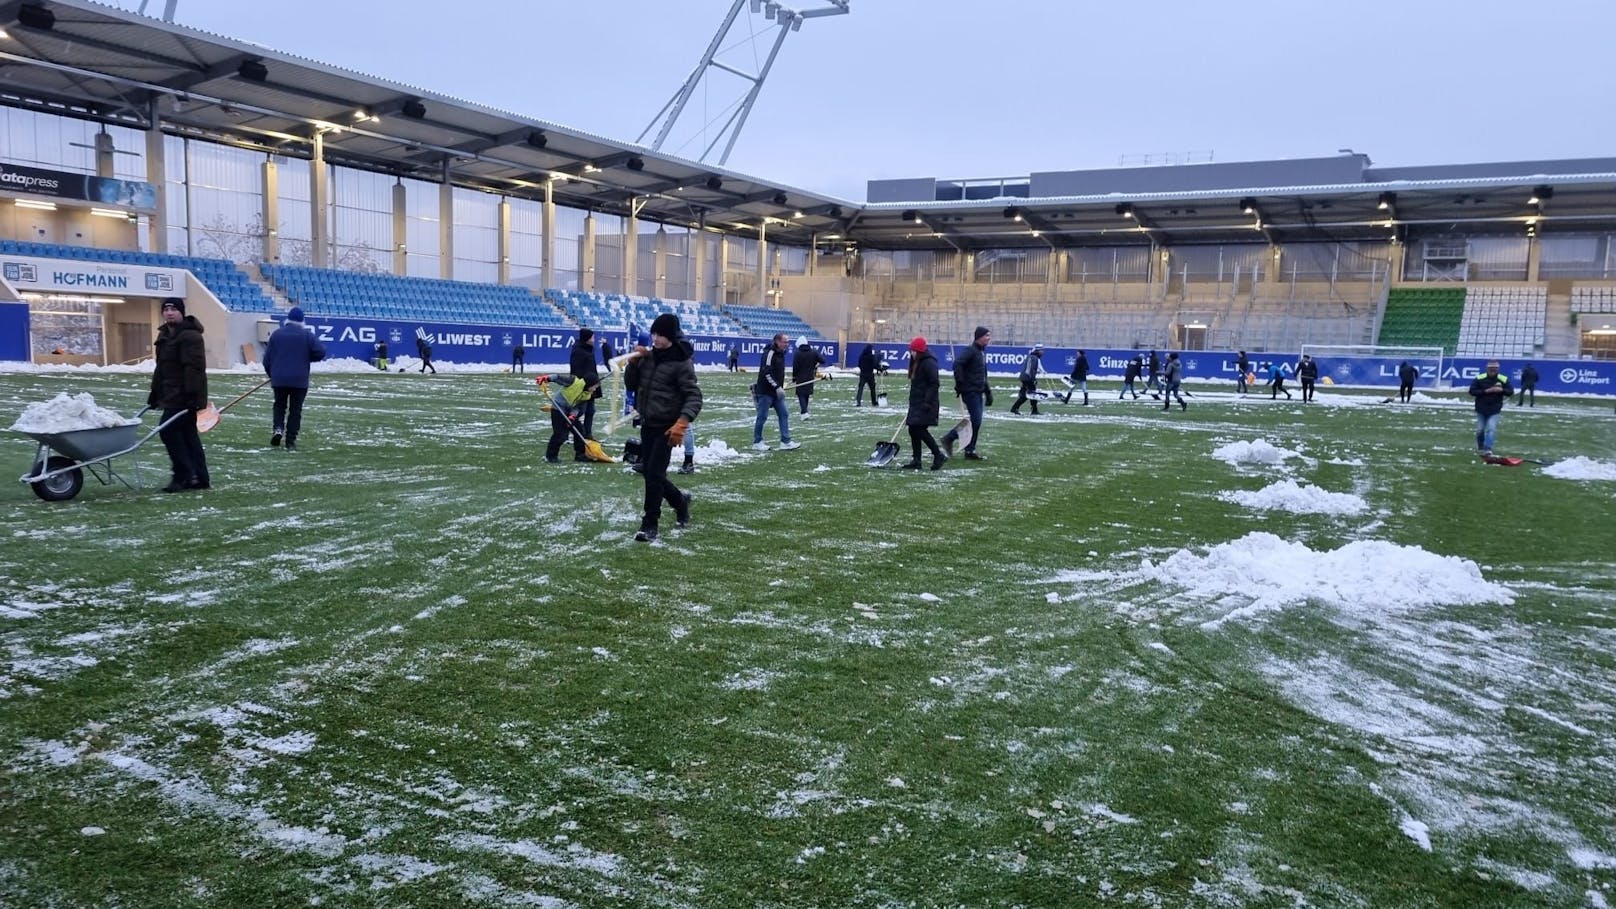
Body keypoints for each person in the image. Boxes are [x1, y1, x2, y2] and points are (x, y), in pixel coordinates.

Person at [623, 313, 701, 542]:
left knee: (654, 474)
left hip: (668, 427)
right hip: (648, 423)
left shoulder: (681, 362)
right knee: (650, 471)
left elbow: (694, 396)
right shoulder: (648, 358)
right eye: (654, 333)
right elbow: (631, 384)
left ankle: (650, 523)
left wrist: (682, 422)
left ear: (671, 337)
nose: (655, 339)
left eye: (661, 335)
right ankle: (680, 501)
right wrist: (633, 365)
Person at [148, 297, 209, 492]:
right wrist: (155, 392)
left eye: (173, 309)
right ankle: (199, 477)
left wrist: (192, 395)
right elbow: (161, 368)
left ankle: (183, 475)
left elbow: (194, 368)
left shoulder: (190, 336)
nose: (169, 312)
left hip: (183, 395)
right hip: (170, 393)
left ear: (181, 312)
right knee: (188, 435)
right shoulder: (166, 335)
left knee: (168, 431)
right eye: (166, 309)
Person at [263, 306, 326, 451]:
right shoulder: (307, 335)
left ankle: (278, 429)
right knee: (295, 410)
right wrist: (307, 357)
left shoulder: (277, 334)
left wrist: (272, 374)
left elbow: (267, 360)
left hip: (279, 379)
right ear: (302, 321)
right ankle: (290, 440)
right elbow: (320, 352)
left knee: (279, 405)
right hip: (299, 379)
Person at [940, 325, 990, 460]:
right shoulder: (970, 351)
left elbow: (983, 374)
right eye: (986, 335)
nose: (988, 338)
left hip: (978, 391)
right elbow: (957, 364)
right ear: (979, 337)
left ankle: (969, 449)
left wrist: (988, 391)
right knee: (976, 420)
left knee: (976, 422)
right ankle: (950, 439)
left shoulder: (980, 352)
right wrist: (960, 384)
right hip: (970, 391)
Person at [901, 337, 946, 470]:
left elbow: (934, 383)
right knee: (913, 429)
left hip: (926, 403)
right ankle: (916, 460)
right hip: (917, 401)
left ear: (919, 351)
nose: (911, 353)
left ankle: (938, 455)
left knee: (920, 429)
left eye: (913, 351)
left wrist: (927, 402)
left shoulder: (929, 363)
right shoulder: (918, 362)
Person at [752, 332, 798, 451]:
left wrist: (782, 383)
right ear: (777, 342)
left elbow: (777, 372)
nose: (787, 344)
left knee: (784, 414)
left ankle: (785, 441)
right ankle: (757, 441)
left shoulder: (781, 354)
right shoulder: (770, 353)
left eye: (787, 342)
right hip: (765, 391)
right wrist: (777, 387)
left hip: (776, 392)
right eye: (784, 342)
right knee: (762, 417)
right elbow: (766, 372)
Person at [539, 372, 597, 462]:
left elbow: (579, 407)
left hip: (570, 413)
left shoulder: (587, 395)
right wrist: (547, 378)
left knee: (580, 432)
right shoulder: (574, 381)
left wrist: (573, 415)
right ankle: (551, 456)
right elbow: (558, 378)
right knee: (560, 434)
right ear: (589, 384)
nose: (595, 389)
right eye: (594, 386)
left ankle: (580, 455)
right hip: (558, 409)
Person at [1468, 359, 1512, 456]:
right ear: (1487, 368)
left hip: (1495, 409)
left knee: (1491, 428)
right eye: (1491, 368)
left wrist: (1501, 390)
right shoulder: (1479, 378)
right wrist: (1485, 391)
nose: (1493, 370)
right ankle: (1480, 447)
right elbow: (1472, 391)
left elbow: (1510, 391)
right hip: (1481, 408)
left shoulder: (1503, 379)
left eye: (1495, 368)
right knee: (1480, 429)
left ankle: (1488, 448)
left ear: (1498, 369)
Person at [570, 328, 601, 439]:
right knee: (578, 411)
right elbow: (576, 370)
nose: (594, 339)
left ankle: (587, 434)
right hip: (583, 386)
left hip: (591, 384)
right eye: (592, 337)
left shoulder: (589, 349)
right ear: (587, 338)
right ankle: (575, 432)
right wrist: (584, 384)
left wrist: (594, 382)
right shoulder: (578, 351)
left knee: (591, 411)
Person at [790, 336, 825, 418]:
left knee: (801, 394)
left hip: (800, 377)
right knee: (806, 394)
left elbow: (795, 367)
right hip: (810, 377)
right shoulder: (813, 352)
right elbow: (823, 360)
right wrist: (815, 363)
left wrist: (794, 377)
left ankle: (804, 412)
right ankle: (804, 412)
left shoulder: (797, 354)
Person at [1010, 344, 1045, 415]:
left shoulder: (1031, 357)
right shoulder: (1035, 358)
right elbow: (1030, 370)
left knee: (1028, 394)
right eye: (1041, 350)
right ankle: (1033, 410)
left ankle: (1015, 408)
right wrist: (1033, 379)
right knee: (1030, 394)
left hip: (1025, 378)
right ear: (1037, 351)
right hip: (1028, 378)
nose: (1043, 352)